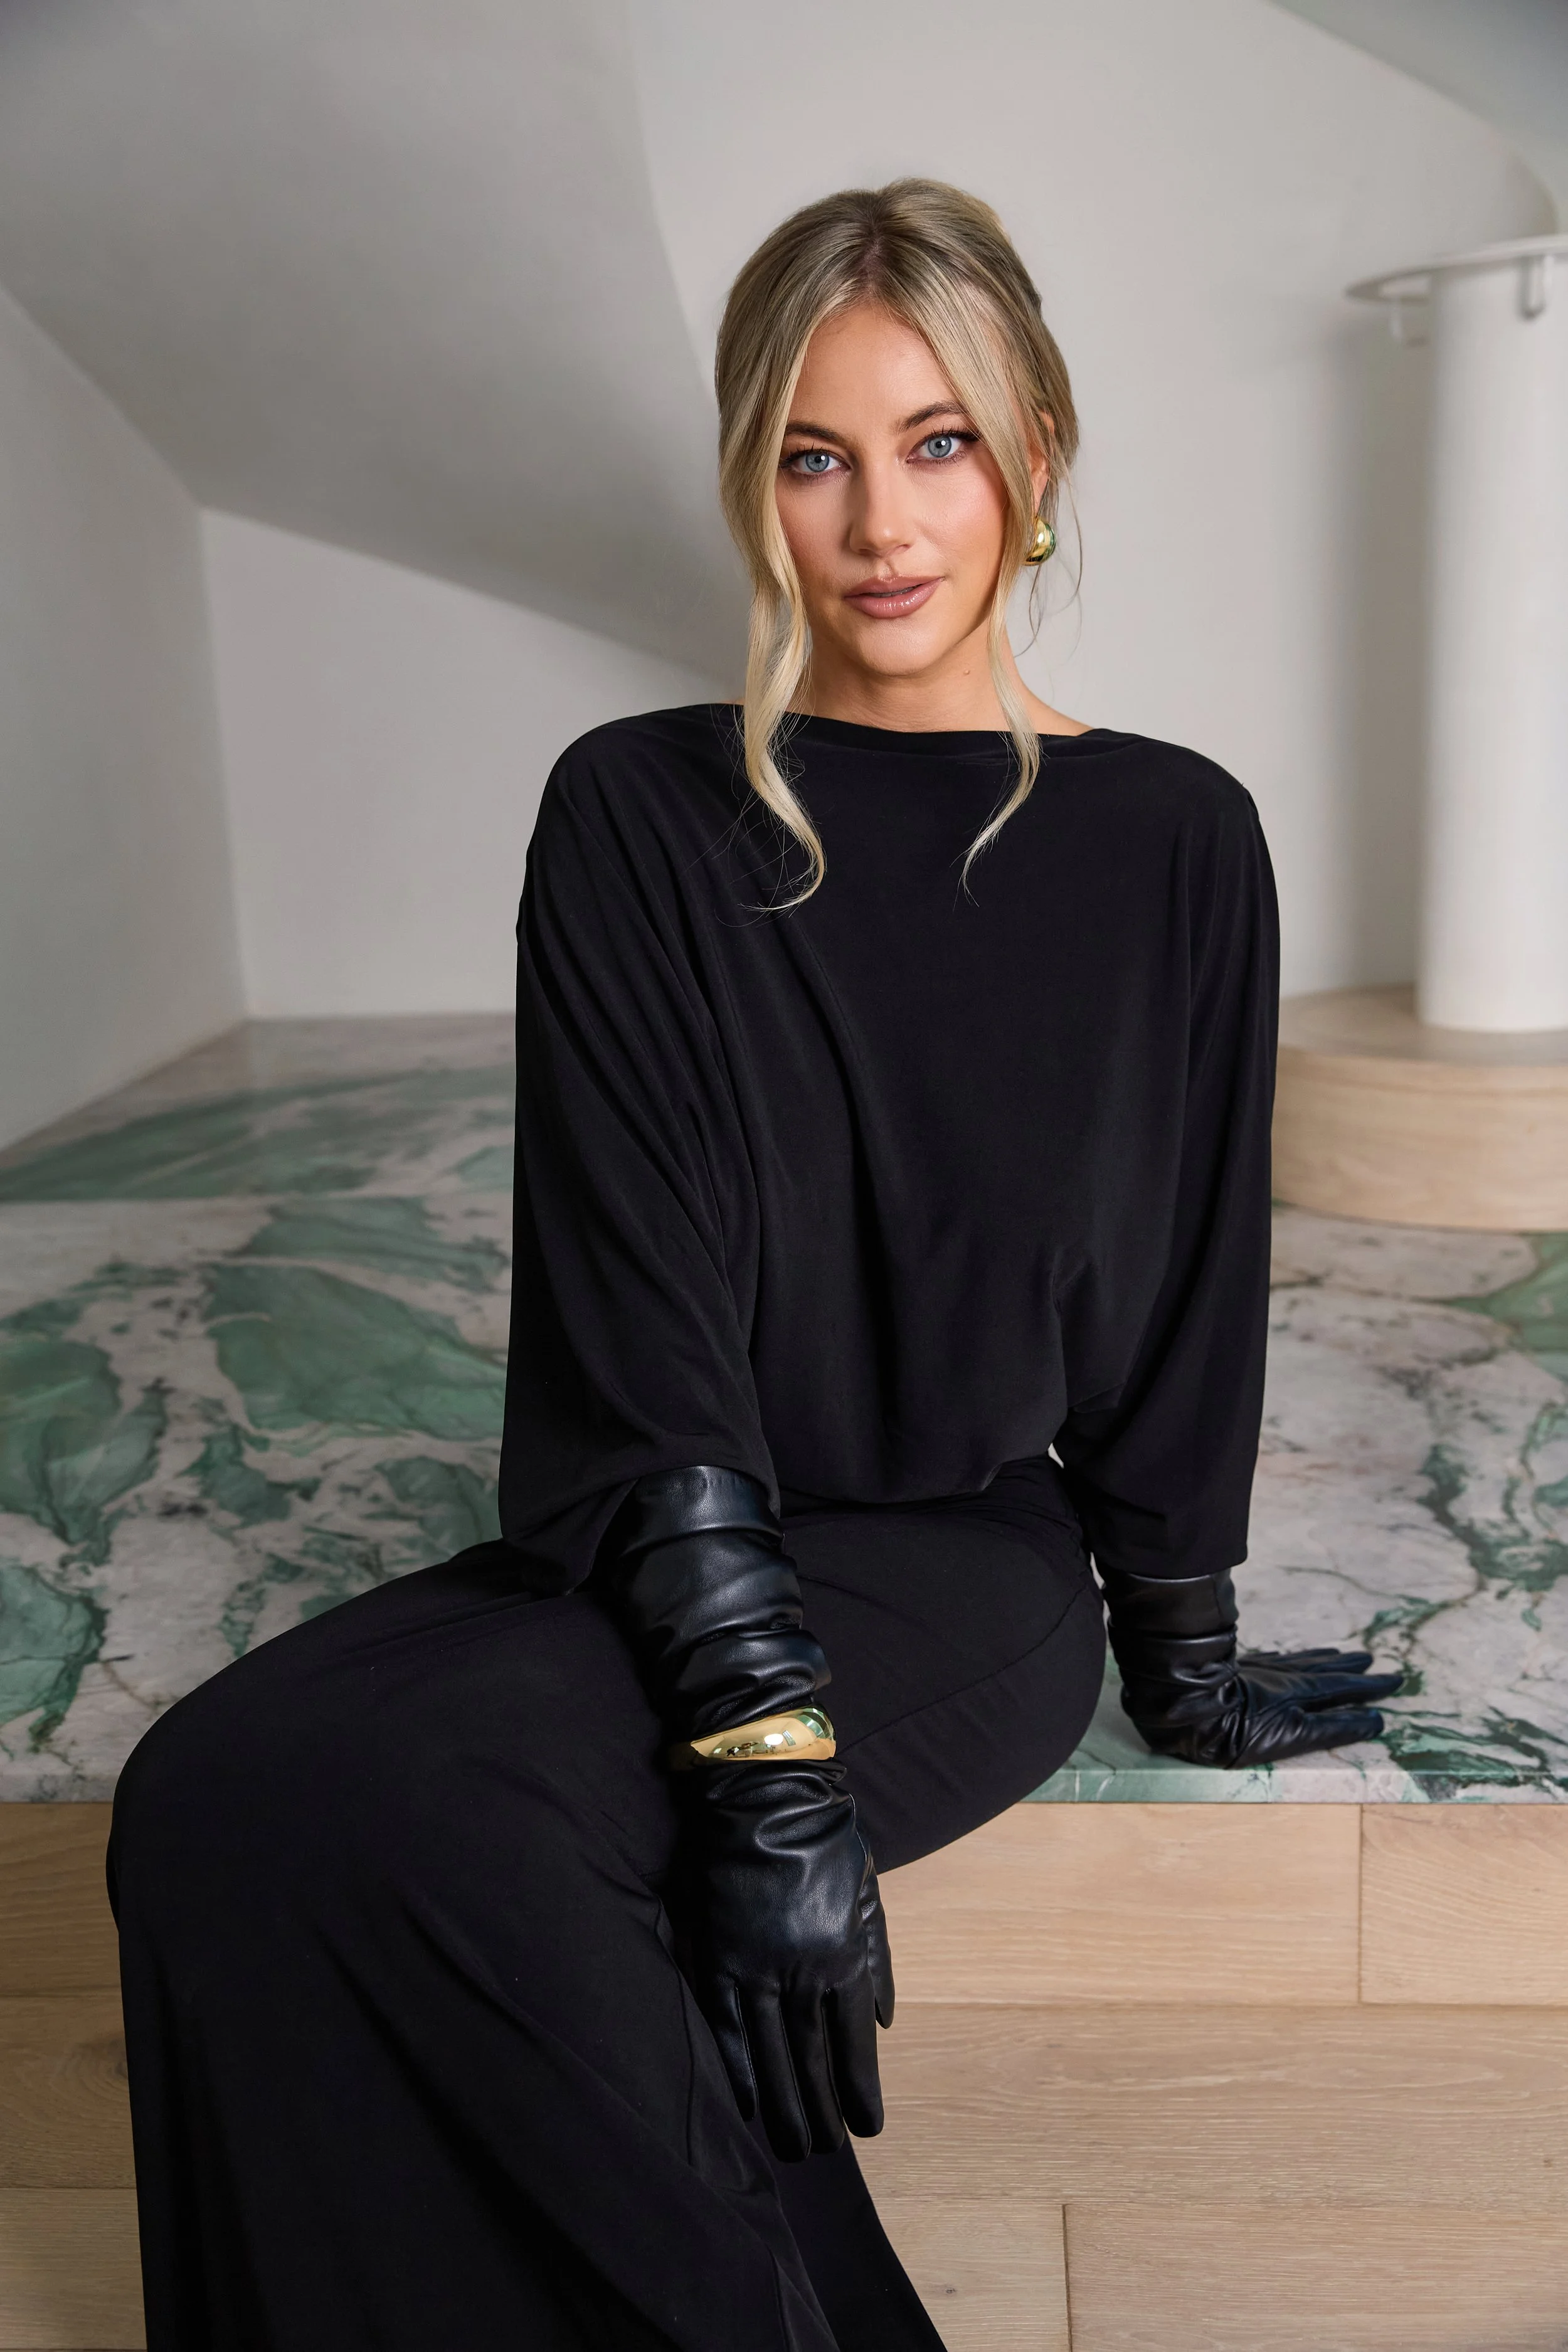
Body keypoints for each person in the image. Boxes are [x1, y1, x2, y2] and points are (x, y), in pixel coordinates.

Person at [109, 179, 1400, 2351]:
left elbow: (1189, 1279)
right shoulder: (639, 811)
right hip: (664, 1545)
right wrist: (767, 1757)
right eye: (812, 454)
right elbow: (634, 1296)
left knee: (465, 1827)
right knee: (215, 1794)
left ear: (1037, 464)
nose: (878, 520)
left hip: (956, 1563)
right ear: (749, 486)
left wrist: (1176, 1640)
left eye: (937, 442)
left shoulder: (1174, 833)